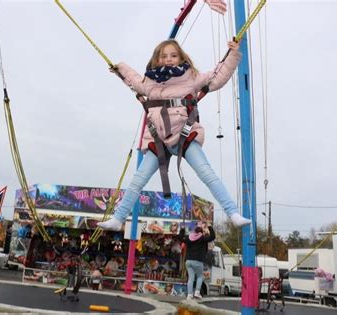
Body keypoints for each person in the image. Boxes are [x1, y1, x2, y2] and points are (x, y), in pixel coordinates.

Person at [97, 39, 251, 231]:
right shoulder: (149, 82)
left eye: (173, 55)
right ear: (156, 59)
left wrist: (234, 54)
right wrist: (119, 68)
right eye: (163, 56)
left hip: (184, 135)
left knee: (206, 172)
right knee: (139, 179)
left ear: (181, 58)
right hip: (158, 139)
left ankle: (233, 213)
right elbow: (133, 80)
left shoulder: (190, 77)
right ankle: (118, 218)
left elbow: (217, 76)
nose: (168, 60)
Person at [180, 221, 215, 299]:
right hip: (198, 261)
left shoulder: (189, 238)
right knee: (200, 276)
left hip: (188, 261)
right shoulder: (202, 238)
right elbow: (213, 236)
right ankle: (197, 292)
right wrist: (209, 226)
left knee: (191, 278)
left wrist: (182, 229)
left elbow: (180, 238)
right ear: (201, 232)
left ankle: (189, 294)